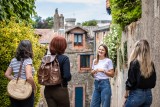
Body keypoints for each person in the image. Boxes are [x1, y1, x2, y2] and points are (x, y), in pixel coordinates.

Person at [124, 40, 156, 107]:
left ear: (136, 49)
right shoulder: (151, 64)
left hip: (136, 95)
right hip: (148, 96)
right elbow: (153, 82)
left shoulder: (134, 63)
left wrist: (126, 93)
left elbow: (131, 82)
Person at [5, 40, 36, 107]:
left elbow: (7, 74)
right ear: (29, 49)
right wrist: (34, 87)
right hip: (25, 91)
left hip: (14, 91)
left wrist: (16, 80)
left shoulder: (13, 60)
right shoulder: (28, 60)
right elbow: (29, 77)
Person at [44, 35, 72, 107]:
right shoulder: (64, 59)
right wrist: (69, 76)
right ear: (63, 46)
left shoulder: (46, 58)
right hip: (60, 90)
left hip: (48, 90)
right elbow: (66, 76)